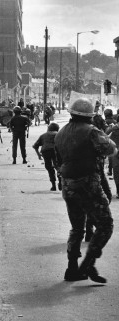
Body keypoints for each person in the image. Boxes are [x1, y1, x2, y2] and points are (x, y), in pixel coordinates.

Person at [55, 97, 117, 283]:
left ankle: (72, 267)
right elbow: (110, 149)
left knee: (76, 227)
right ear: (89, 116)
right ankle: (88, 264)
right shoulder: (91, 131)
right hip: (87, 183)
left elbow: (58, 161)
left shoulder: (61, 133)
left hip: (68, 184)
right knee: (105, 224)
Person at [33, 122, 61, 191]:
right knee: (58, 167)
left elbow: (35, 146)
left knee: (49, 168)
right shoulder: (59, 135)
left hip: (46, 151)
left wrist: (39, 155)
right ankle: (60, 182)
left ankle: (53, 185)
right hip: (56, 151)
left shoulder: (43, 135)